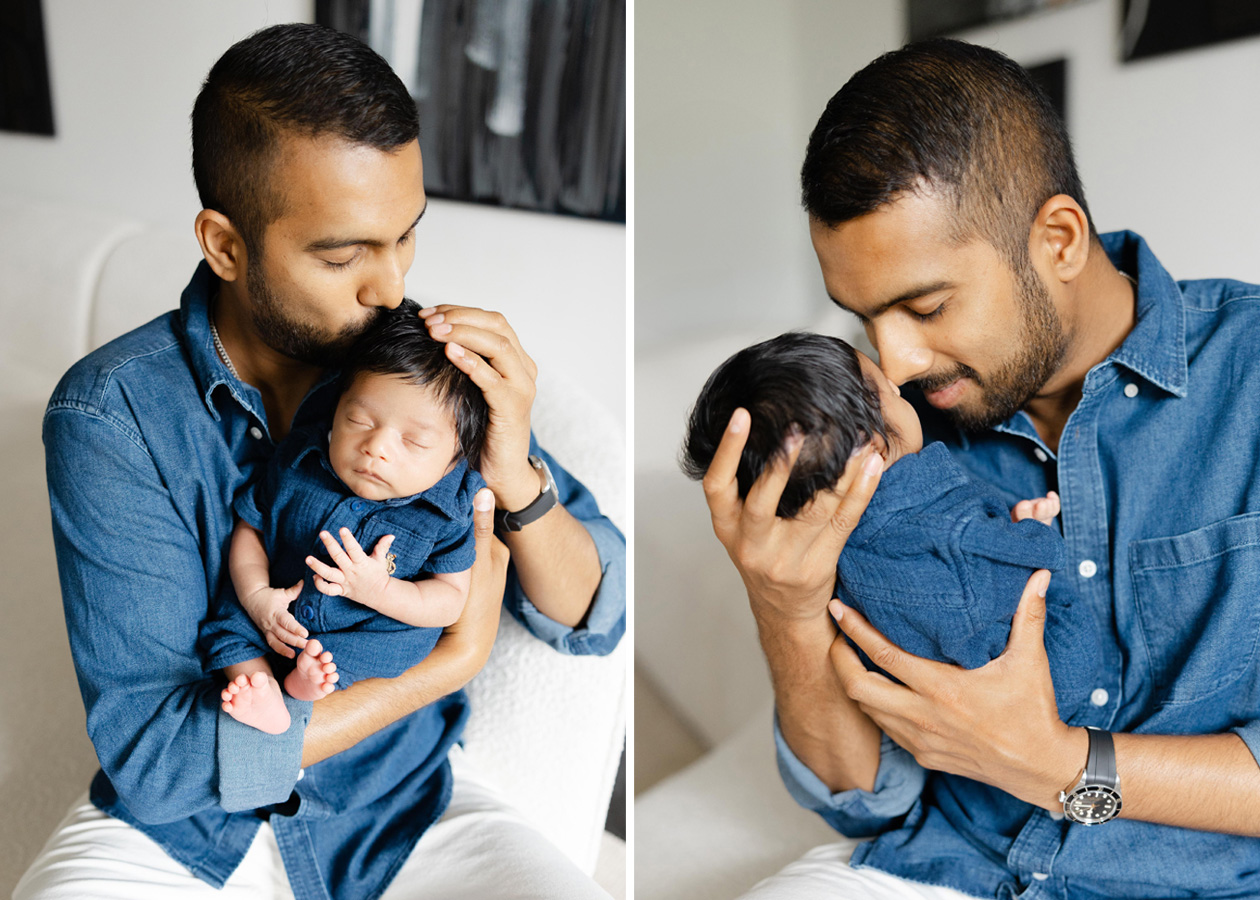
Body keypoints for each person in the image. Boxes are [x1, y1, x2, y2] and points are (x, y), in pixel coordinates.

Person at [18, 23, 623, 900]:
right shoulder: (110, 416)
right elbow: (157, 762)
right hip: (181, 835)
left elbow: (595, 613)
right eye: (343, 255)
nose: (390, 289)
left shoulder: (419, 364)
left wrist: (517, 468)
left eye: (405, 237)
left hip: (402, 812)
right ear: (225, 245)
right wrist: (446, 665)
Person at [700, 38, 1260, 900]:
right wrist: (785, 605)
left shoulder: (1249, 379)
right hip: (944, 867)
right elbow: (862, 797)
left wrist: (1060, 766)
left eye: (925, 306)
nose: (893, 358)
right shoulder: (876, 439)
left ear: (1059, 241)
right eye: (861, 316)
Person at [680, 331, 1097, 721]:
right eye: (882, 388)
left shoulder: (834, 557)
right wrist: (1032, 531)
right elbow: (1031, 556)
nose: (899, 384)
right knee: (1069, 615)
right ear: (874, 444)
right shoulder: (947, 522)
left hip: (947, 718)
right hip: (1053, 683)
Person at [202, 301, 489, 736]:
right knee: (226, 623)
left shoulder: (447, 512)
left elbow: (449, 599)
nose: (377, 447)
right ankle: (259, 686)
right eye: (359, 420)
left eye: (414, 441)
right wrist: (258, 595)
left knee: (405, 641)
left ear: (454, 461)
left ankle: (305, 687)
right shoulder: (300, 461)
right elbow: (250, 528)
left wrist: (382, 590)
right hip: (278, 613)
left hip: (362, 632)